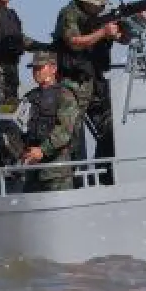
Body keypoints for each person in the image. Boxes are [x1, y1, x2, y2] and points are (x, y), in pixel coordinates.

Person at [51, 0, 136, 184]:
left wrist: (129, 25)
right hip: (73, 83)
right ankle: (69, 180)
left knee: (111, 127)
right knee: (71, 134)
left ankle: (105, 174)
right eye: (98, 4)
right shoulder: (69, 13)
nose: (101, 8)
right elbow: (74, 42)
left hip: (95, 81)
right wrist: (102, 33)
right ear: (86, 1)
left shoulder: (98, 19)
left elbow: (125, 39)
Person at [19, 50, 83, 193]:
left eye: (40, 68)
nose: (36, 72)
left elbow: (65, 130)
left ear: (53, 69)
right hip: (32, 170)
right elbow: (20, 127)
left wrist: (42, 150)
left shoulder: (65, 95)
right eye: (34, 68)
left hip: (57, 172)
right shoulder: (29, 97)